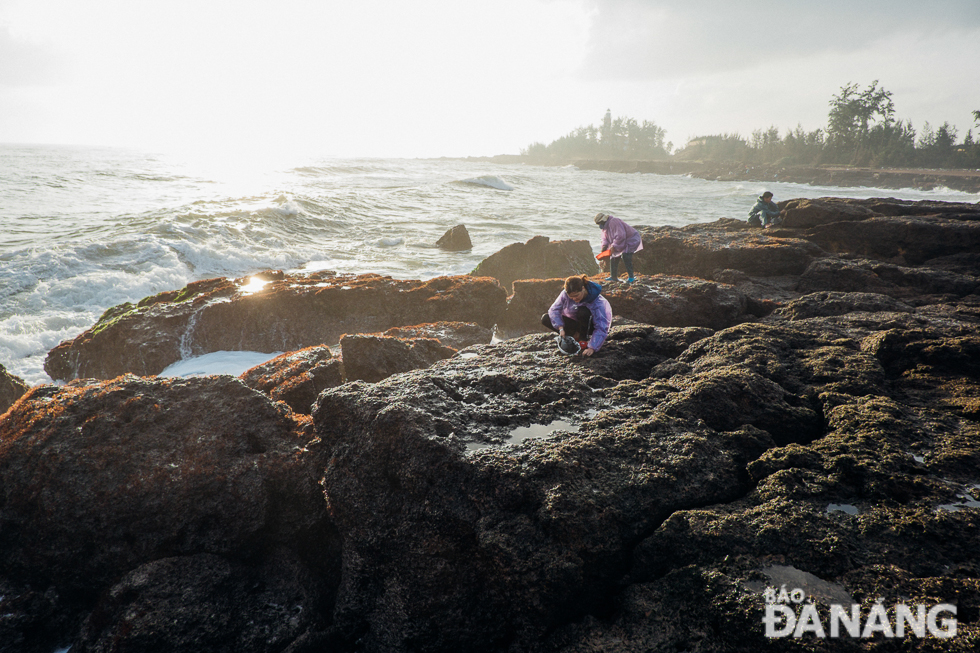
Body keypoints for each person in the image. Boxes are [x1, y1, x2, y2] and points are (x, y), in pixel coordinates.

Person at [541, 274, 612, 357]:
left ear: (583, 289)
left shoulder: (598, 302)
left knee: (583, 311)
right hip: (575, 323)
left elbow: (601, 327)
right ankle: (574, 336)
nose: (574, 299)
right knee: (545, 318)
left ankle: (583, 339)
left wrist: (592, 347)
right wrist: (560, 328)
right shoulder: (564, 294)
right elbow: (554, 309)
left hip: (589, 326)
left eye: (576, 296)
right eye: (571, 297)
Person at [595, 212, 643, 283]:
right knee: (613, 256)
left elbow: (620, 235)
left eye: (600, 223)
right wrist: (604, 246)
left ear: (603, 221)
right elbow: (605, 238)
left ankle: (631, 277)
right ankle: (613, 277)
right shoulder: (605, 227)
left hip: (631, 239)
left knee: (626, 256)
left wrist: (613, 246)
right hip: (621, 241)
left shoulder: (614, 222)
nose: (599, 225)